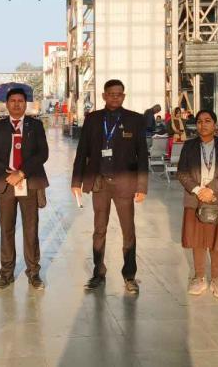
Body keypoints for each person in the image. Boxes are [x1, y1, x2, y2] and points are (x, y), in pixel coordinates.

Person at [71, 79, 149, 294]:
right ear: (104, 96)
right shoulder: (93, 119)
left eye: (119, 94)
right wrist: (76, 181)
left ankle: (129, 275)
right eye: (111, 94)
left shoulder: (135, 120)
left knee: (128, 231)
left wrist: (142, 186)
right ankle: (98, 272)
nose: (115, 97)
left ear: (124, 96)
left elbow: (142, 154)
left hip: (125, 184)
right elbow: (82, 151)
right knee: (99, 230)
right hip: (100, 184)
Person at [0, 88, 49, 290]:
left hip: (28, 182)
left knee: (31, 229)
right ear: (7, 104)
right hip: (6, 184)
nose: (17, 104)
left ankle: (33, 273)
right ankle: (6, 274)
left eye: (21, 100)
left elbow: (43, 153)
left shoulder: (35, 126)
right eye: (13, 100)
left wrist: (21, 173)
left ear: (26, 104)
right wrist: (6, 172)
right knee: (6, 229)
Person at [177, 110, 218, 298]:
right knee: (197, 240)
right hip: (195, 198)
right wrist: (197, 190)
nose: (203, 124)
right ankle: (199, 277)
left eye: (208, 120)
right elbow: (181, 172)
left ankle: (217, 279)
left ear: (215, 124)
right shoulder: (189, 146)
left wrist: (211, 189)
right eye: (199, 121)